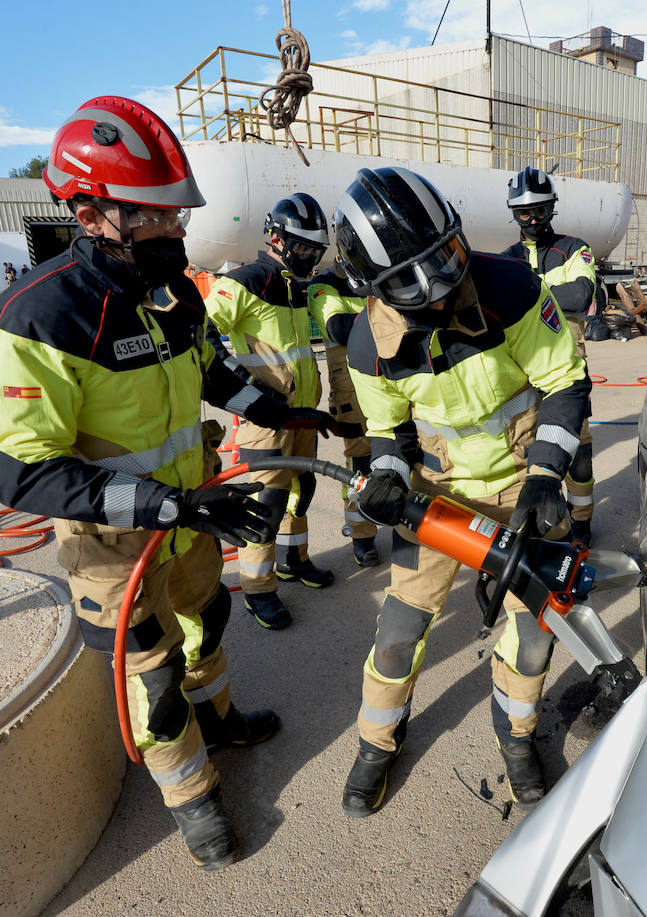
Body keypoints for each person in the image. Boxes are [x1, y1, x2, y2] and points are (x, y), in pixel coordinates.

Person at [0, 96, 332, 872]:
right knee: (156, 676)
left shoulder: (176, 294)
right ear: (92, 211)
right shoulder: (39, 317)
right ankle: (193, 798)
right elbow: (23, 471)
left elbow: (216, 372)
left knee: (208, 617)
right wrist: (172, 503)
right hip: (116, 546)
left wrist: (285, 410)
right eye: (158, 217)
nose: (178, 231)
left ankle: (225, 718)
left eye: (177, 214)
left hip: (191, 517)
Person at [333, 167, 591, 816]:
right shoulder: (370, 344)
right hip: (438, 497)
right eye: (413, 282)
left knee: (533, 634)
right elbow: (387, 433)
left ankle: (518, 737)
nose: (442, 291)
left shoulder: (513, 288)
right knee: (398, 631)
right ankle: (375, 743)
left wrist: (546, 473)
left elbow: (565, 379)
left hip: (521, 485)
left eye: (445, 259)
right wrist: (389, 478)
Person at [205, 194, 339, 630]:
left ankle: (293, 560)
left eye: (315, 251)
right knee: (266, 505)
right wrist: (247, 393)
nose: (309, 258)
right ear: (276, 238)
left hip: (300, 415)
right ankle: (258, 589)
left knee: (302, 491)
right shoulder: (245, 282)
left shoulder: (297, 287)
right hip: (265, 420)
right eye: (302, 249)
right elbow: (203, 336)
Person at [500, 166, 598, 546]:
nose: (534, 219)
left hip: (568, 372)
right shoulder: (506, 259)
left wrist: (526, 294)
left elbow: (580, 297)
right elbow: (563, 295)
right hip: (520, 374)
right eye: (526, 212)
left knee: (579, 454)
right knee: (528, 448)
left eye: (541, 210)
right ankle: (540, 519)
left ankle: (583, 519)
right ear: (514, 213)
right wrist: (553, 288)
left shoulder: (574, 249)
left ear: (551, 208)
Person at [307, 258, 383, 567]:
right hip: (352, 397)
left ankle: (409, 527)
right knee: (359, 466)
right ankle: (362, 537)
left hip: (387, 385)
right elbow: (338, 328)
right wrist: (392, 311)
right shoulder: (324, 285)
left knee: (406, 457)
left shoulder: (377, 278)